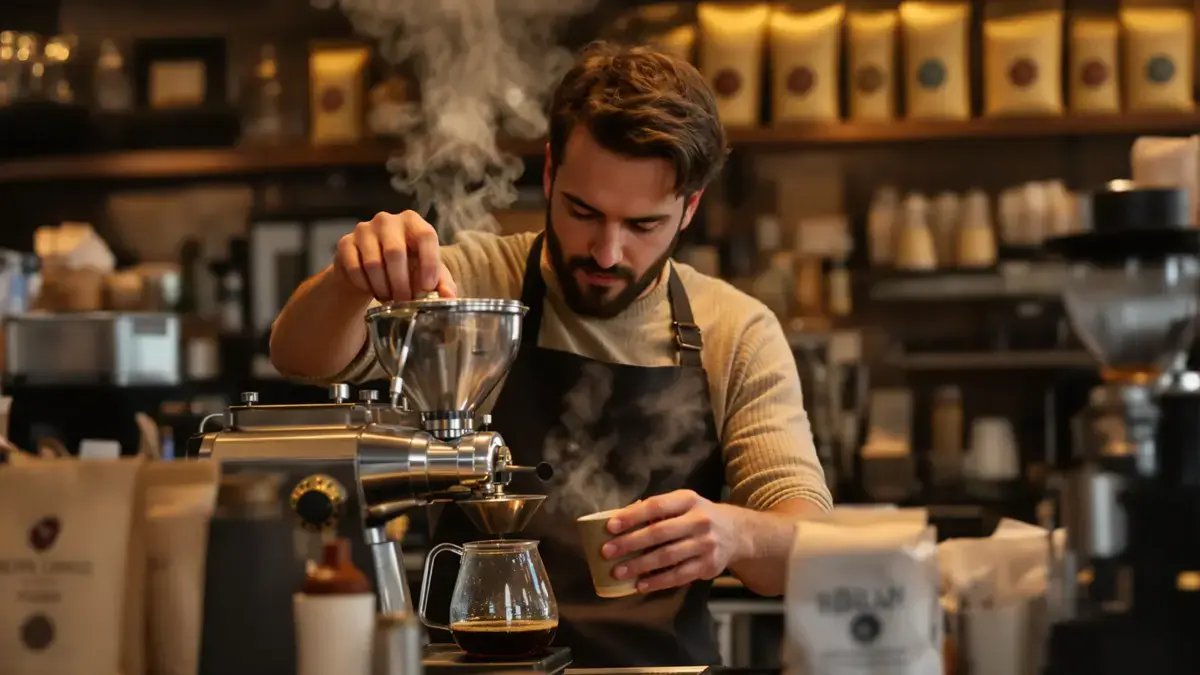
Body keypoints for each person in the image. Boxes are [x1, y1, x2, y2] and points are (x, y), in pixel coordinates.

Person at [271, 42, 832, 667]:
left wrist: (734, 533)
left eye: (643, 225)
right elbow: (302, 356)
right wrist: (353, 279)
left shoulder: (736, 331)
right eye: (582, 211)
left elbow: (804, 546)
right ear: (548, 175)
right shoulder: (480, 283)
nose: (607, 252)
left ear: (689, 208)